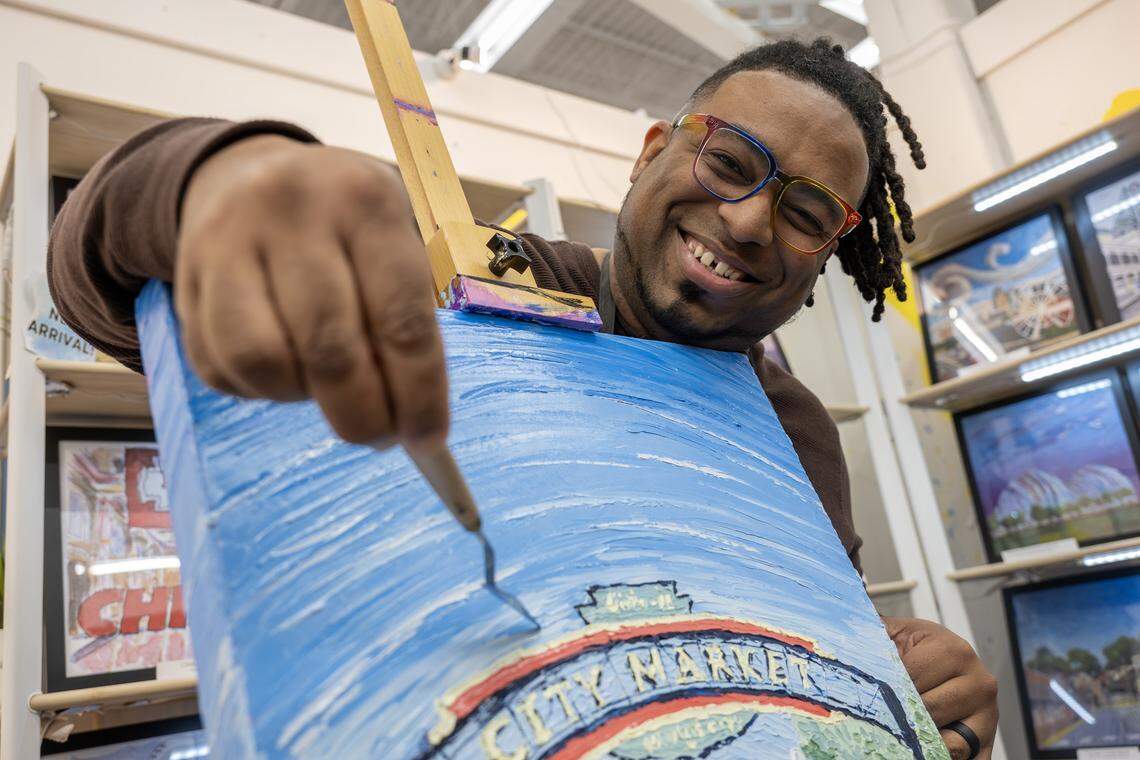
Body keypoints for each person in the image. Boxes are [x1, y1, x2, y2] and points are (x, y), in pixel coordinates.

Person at [48, 38, 998, 758]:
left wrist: (922, 693)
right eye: (730, 162)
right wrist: (214, 185)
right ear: (653, 152)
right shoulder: (465, 287)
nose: (749, 221)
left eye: (803, 214)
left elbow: (805, 662)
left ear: (829, 252)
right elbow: (99, 278)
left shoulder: (795, 434)